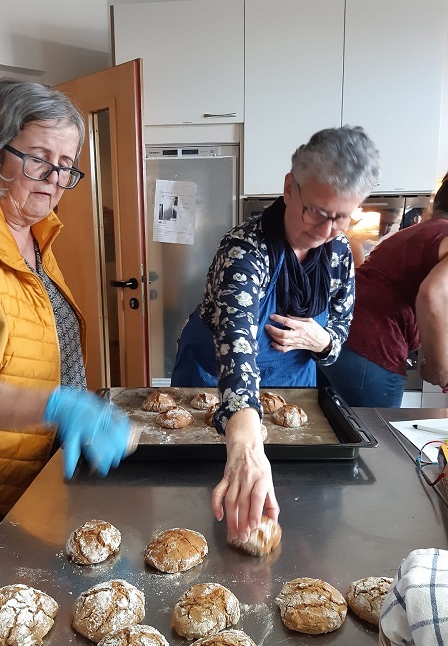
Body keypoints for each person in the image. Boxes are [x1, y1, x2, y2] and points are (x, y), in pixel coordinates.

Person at [0, 79, 134, 585]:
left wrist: (79, 407)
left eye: (66, 165)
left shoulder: (32, 234)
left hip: (30, 481)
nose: (55, 179)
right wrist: (59, 406)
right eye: (39, 159)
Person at [171, 126, 380, 543]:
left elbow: (339, 335)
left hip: (294, 389)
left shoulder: (339, 254)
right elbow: (236, 345)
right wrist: (245, 443)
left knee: (294, 512)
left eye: (342, 217)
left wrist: (320, 341)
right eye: (317, 211)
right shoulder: (245, 250)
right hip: (217, 385)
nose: (326, 231)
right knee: (207, 505)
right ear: (289, 188)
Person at [320, 174, 448, 407]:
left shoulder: (420, 232)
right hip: (373, 349)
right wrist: (439, 369)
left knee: (333, 426)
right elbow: (434, 294)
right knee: (378, 430)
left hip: (336, 338)